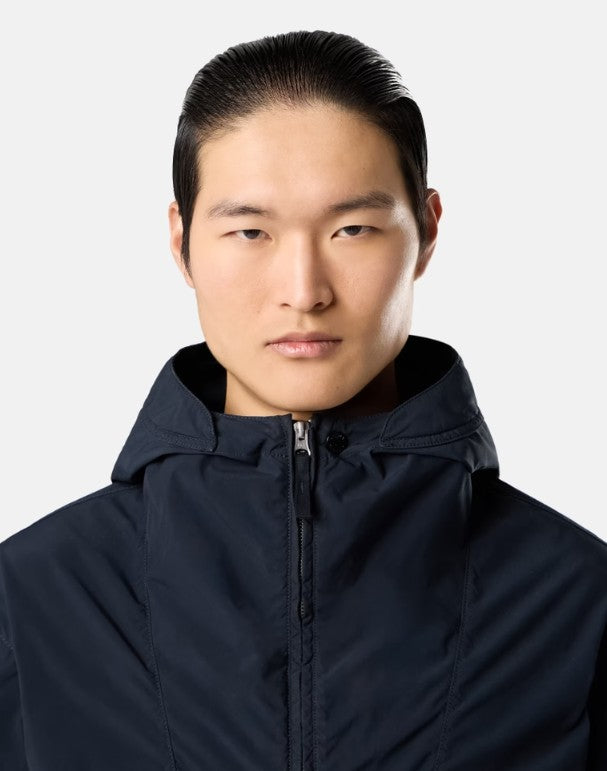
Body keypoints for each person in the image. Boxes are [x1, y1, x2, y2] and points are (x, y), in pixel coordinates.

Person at [1, 29, 605, 770]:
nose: (303, 291)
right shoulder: (36, 596)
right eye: (250, 230)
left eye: (352, 228)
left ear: (426, 230)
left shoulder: (575, 598)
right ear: (182, 241)